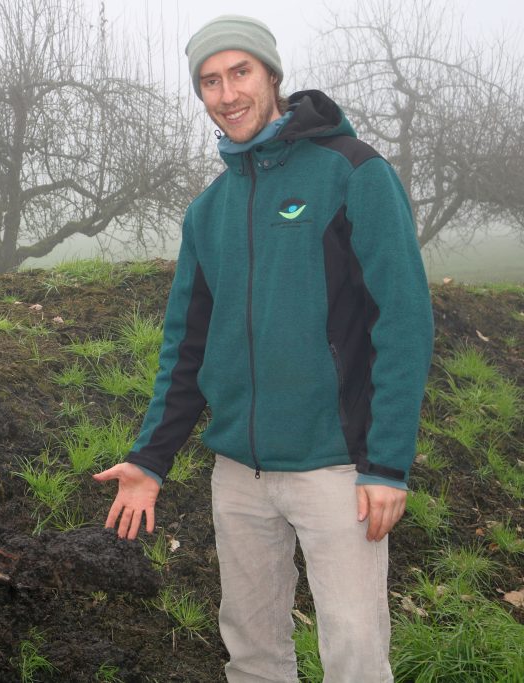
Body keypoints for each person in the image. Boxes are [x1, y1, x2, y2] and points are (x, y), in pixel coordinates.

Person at [94, 15, 433, 683]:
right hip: (238, 475)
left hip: (338, 471)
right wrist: (150, 460)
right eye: (209, 81)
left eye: (239, 72)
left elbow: (404, 320)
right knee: (251, 655)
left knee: (355, 656)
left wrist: (387, 462)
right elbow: (186, 349)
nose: (226, 93)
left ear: (271, 75)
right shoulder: (209, 210)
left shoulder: (353, 171)